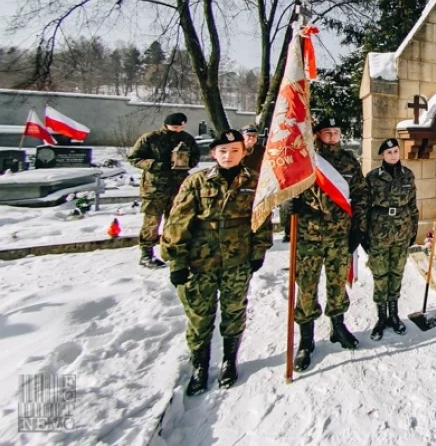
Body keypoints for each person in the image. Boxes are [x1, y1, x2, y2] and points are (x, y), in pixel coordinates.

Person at [160, 129, 273, 396]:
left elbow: (262, 219)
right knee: (200, 316)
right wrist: (176, 261)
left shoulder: (254, 181)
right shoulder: (196, 182)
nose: (229, 156)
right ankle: (200, 365)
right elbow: (177, 223)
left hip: (238, 259)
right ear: (213, 154)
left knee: (234, 311)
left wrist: (259, 250)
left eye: (235, 150)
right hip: (201, 261)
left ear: (244, 152)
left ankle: (229, 361)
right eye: (223, 151)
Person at [292, 117, 367, 372]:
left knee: (337, 283)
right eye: (328, 132)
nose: (333, 136)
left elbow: (360, 195)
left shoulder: (349, 161)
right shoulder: (306, 160)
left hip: (339, 236)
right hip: (309, 236)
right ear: (318, 135)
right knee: (306, 287)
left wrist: (359, 228)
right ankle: (306, 339)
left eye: (336, 132)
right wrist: (288, 208)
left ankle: (338, 326)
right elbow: (288, 190)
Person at [129, 113, 200, 269]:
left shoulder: (187, 139)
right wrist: (156, 165)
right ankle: (146, 253)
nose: (178, 129)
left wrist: (186, 163)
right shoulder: (151, 138)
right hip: (155, 188)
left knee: (175, 221)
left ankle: (171, 251)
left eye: (181, 126)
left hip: (178, 186)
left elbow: (196, 156)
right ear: (167, 124)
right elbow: (134, 158)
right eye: (175, 126)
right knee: (152, 222)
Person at [365, 138, 419, 341]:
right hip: (379, 233)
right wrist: (363, 234)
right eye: (389, 152)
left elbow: (413, 204)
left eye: (396, 151)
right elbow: (364, 207)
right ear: (382, 155)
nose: (393, 155)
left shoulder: (407, 175)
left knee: (396, 273)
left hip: (402, 231)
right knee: (380, 275)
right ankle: (381, 318)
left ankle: (394, 316)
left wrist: (413, 229)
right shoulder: (372, 178)